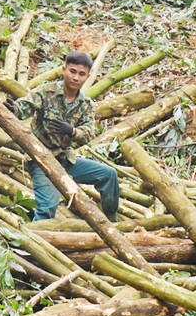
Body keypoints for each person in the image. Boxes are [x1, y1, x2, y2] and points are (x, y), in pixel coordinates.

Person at [9, 51, 119, 222]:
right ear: (64, 70)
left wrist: (72, 131)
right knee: (47, 207)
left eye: (82, 74)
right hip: (41, 161)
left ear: (87, 76)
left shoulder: (86, 104)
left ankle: (111, 219)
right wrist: (13, 109)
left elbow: (89, 133)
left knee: (109, 174)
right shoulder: (47, 92)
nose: (76, 77)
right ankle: (36, 240)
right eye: (72, 71)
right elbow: (26, 106)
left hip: (66, 160)